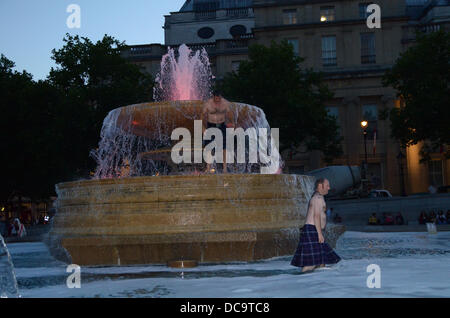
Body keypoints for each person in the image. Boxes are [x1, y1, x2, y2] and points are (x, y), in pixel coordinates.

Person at [291, 178, 341, 273]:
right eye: (327, 185)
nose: (329, 188)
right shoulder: (317, 198)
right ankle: (300, 280)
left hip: (313, 230)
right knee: (311, 263)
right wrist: (319, 234)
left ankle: (317, 284)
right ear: (320, 186)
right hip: (312, 230)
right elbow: (316, 216)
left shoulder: (318, 197)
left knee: (322, 261)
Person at [202, 89, 235, 173]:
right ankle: (208, 167)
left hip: (221, 125)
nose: (218, 101)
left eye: (219, 99)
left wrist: (232, 123)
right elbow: (202, 116)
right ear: (213, 97)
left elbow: (231, 114)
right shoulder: (208, 104)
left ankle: (224, 168)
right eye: (216, 99)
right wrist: (203, 128)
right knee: (209, 147)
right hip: (211, 125)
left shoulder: (225, 103)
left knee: (224, 147)